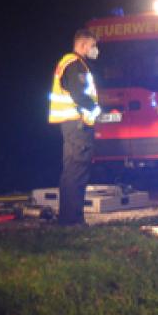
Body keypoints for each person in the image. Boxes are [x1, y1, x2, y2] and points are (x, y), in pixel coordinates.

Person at [48, 28, 102, 225]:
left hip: (73, 125)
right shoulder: (74, 64)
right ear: (83, 45)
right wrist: (96, 110)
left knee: (72, 170)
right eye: (93, 45)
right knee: (76, 171)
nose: (95, 50)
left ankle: (69, 218)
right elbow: (79, 95)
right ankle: (72, 220)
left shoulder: (72, 63)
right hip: (77, 125)